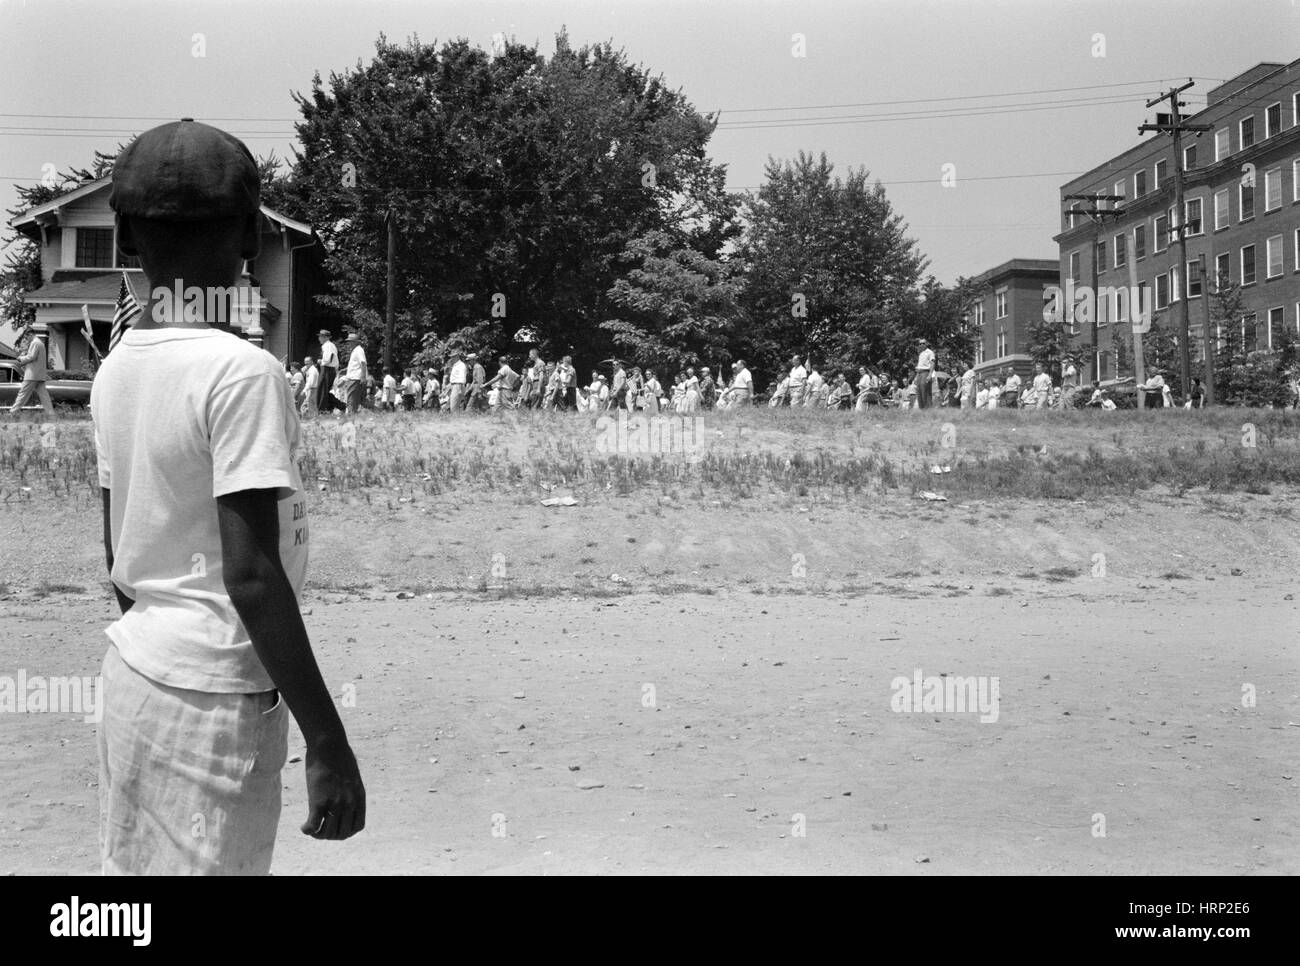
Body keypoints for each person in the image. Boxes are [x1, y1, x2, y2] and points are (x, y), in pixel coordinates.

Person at [94, 118, 364, 876]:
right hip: (214, 700)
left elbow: (117, 554)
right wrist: (328, 742)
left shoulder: (119, 367)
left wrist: (166, 639)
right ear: (250, 235)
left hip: (136, 671)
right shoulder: (242, 373)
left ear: (123, 239)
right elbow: (251, 575)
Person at [6, 328, 54, 416]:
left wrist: (21, 358)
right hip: (39, 375)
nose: (26, 339)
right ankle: (51, 415)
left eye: (27, 337)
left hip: (32, 374)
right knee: (44, 397)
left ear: (30, 334)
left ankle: (12, 413)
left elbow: (31, 357)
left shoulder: (35, 343)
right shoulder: (40, 343)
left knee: (22, 394)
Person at [316, 330, 341, 413]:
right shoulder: (328, 345)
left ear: (325, 337)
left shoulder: (328, 345)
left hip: (327, 369)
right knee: (324, 391)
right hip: (328, 369)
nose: (319, 338)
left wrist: (321, 361)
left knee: (322, 390)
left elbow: (328, 359)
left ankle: (322, 411)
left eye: (320, 336)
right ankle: (335, 407)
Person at [914, 339, 935, 409]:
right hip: (919, 373)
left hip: (925, 373)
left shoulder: (930, 352)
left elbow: (932, 363)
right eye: (920, 344)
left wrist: (930, 374)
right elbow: (920, 365)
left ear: (926, 344)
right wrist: (916, 377)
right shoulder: (921, 353)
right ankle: (922, 410)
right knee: (919, 393)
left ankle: (928, 410)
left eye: (923, 343)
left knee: (925, 392)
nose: (921, 345)